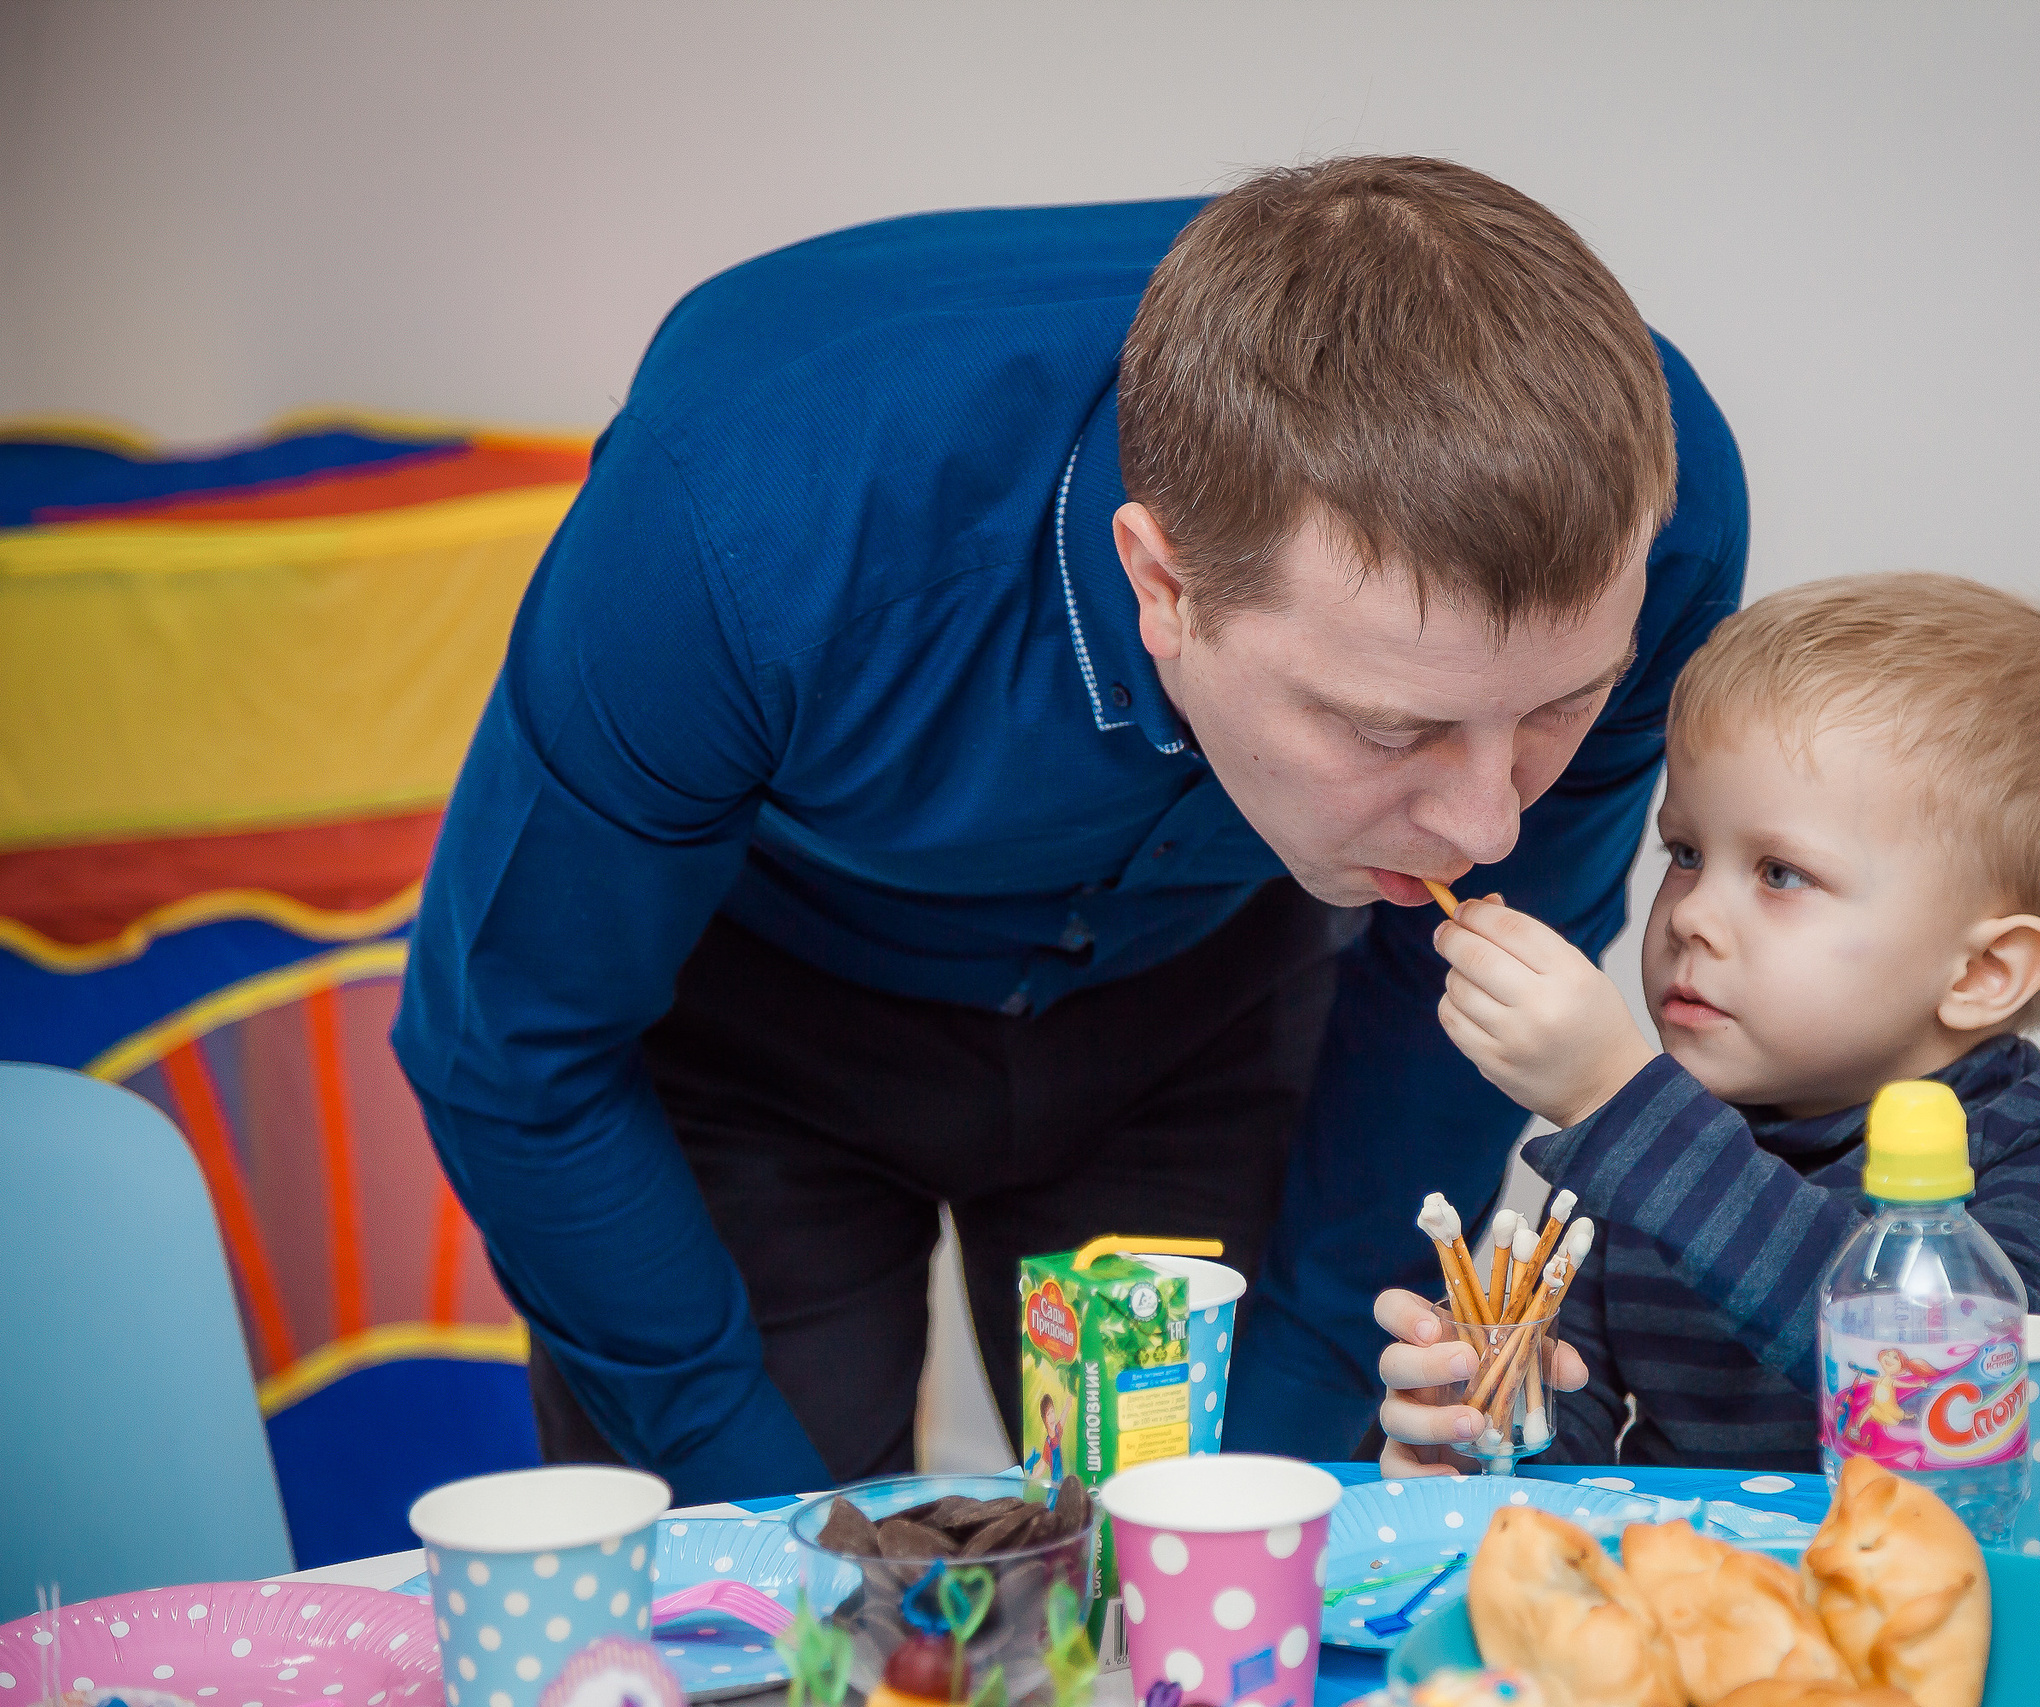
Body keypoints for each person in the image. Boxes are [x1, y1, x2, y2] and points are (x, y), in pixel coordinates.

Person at [390, 155, 1751, 1501]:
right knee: (773, 1596)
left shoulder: (1661, 503)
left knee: (1229, 1555)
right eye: (1393, 730)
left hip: (1205, 1009)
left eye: (1559, 707)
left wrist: (1279, 1460)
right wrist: (758, 1516)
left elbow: (1450, 1007)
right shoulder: (739, 519)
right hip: (758, 1039)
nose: (1490, 825)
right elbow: (515, 1040)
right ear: (1161, 581)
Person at [1372, 573, 2040, 1504]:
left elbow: (1939, 1385)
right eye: (1685, 853)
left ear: (1981, 972)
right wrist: (1483, 1428)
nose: (1691, 916)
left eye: (1781, 873)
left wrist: (1617, 1102)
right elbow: (1573, 1477)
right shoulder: (1644, 1156)